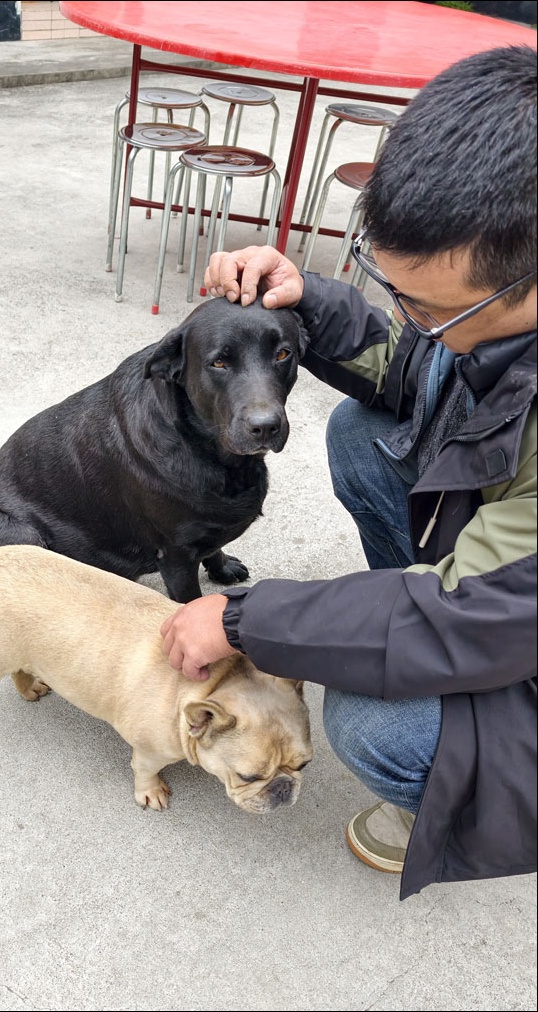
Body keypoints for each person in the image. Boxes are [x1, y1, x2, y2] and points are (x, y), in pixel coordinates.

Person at [159, 45, 537, 900]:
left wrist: (250, 620)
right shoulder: (494, 320)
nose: (414, 321)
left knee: (370, 717)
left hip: (511, 616)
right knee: (366, 432)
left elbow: (472, 613)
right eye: (393, 288)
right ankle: (392, 621)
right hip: (504, 587)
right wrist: (310, 303)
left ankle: (448, 803)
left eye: (432, 308)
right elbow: (417, 371)